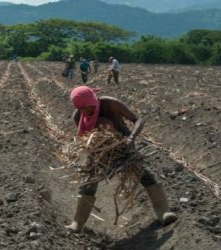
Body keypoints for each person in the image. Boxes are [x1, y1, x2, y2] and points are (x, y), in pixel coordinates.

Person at [65, 86, 177, 233]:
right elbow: (85, 139)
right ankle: (77, 223)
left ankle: (163, 211)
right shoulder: (78, 116)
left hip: (124, 145)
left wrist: (131, 139)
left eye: (87, 107)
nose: (85, 112)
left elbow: (138, 119)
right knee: (88, 183)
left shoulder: (109, 104)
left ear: (93, 100)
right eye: (81, 109)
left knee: (144, 174)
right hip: (99, 152)